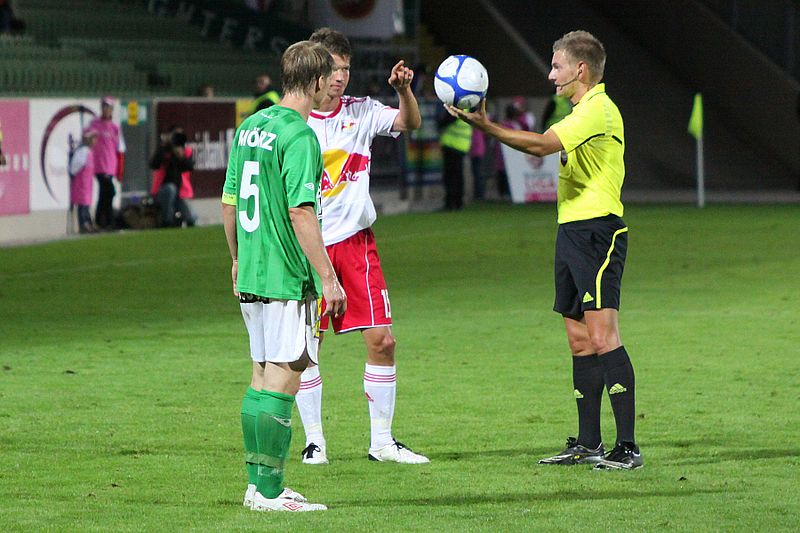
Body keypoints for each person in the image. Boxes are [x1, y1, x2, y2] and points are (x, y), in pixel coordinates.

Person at [448, 30, 642, 470]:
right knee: (579, 342)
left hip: (598, 231)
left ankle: (627, 447)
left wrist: (485, 126)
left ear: (581, 69)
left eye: (556, 66)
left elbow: (539, 145)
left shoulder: (600, 110)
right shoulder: (581, 109)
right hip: (571, 229)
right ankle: (589, 442)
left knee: (603, 335)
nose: (550, 74)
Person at [222, 40, 346, 512]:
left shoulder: (252, 126)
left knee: (259, 377)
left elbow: (229, 199)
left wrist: (236, 258)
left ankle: (257, 487)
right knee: (285, 377)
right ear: (316, 82)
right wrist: (328, 278)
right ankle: (270, 492)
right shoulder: (300, 136)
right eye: (328, 78)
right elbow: (300, 211)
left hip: (251, 273)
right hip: (285, 278)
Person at [298, 27, 428, 465]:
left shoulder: (363, 111)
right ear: (315, 69)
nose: (340, 78)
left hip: (356, 246)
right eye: (333, 69)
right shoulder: (293, 121)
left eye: (346, 69)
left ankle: (382, 443)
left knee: (383, 340)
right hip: (307, 248)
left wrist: (405, 90)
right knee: (303, 349)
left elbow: (409, 123)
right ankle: (315, 440)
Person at [87, 96, 125, 230]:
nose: (105, 109)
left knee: (105, 193)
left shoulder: (115, 127)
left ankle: (102, 220)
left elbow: (119, 148)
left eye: (108, 107)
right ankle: (106, 219)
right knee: (109, 191)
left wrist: (119, 169)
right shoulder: (94, 124)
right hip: (98, 165)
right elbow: (87, 141)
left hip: (110, 165)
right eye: (103, 107)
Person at [149, 129, 197, 227]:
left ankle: (176, 220)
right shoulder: (164, 150)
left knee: (191, 218)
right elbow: (154, 164)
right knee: (170, 189)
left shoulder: (182, 151)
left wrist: (180, 156)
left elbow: (189, 167)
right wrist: (164, 148)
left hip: (179, 192)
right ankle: (166, 221)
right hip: (163, 190)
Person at [438, 107, 472, 210]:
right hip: (461, 145)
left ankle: (450, 203)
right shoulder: (467, 107)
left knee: (450, 177)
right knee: (458, 176)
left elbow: (444, 122)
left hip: (452, 144)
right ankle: (458, 202)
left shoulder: (457, 107)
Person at [68, 130, 98, 234]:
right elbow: (75, 166)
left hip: (87, 183)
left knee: (86, 203)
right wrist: (74, 173)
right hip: (82, 183)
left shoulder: (88, 152)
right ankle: (84, 224)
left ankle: (88, 222)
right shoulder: (83, 151)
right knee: (83, 203)